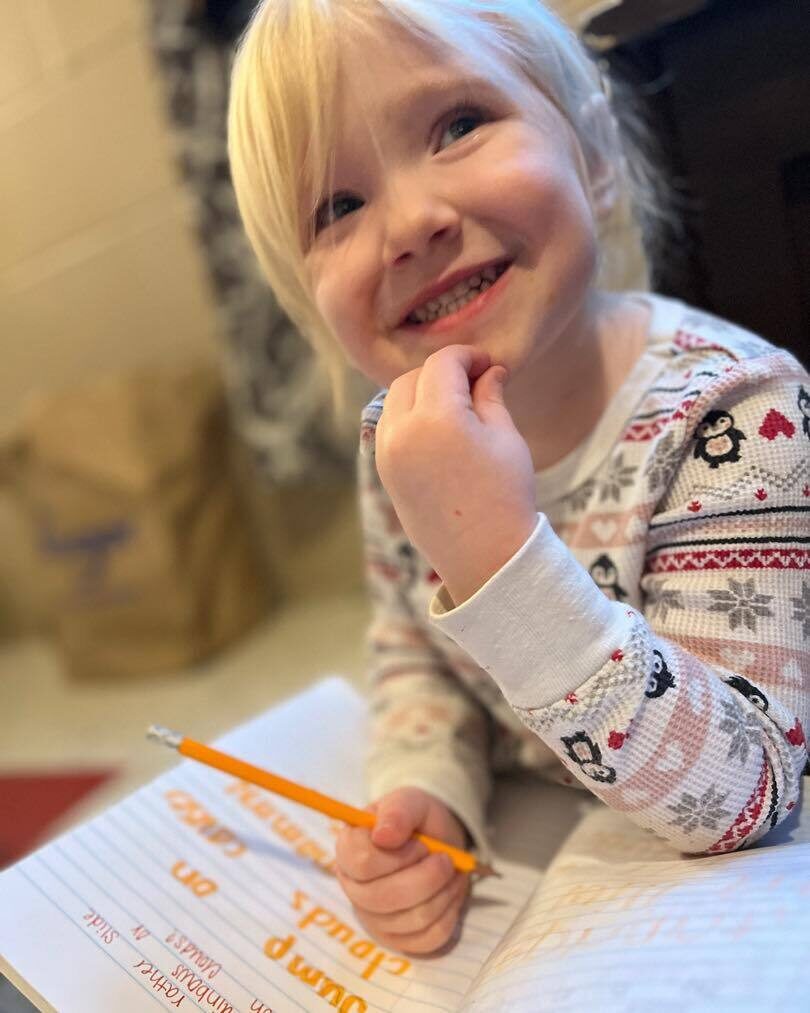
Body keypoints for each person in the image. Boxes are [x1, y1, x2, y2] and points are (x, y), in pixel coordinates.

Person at [227, 0, 810, 956]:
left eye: (458, 126)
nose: (411, 223)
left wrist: (499, 557)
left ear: (594, 155)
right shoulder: (402, 443)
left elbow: (744, 795)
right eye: (338, 205)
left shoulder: (739, 412)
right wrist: (427, 788)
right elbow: (416, 654)